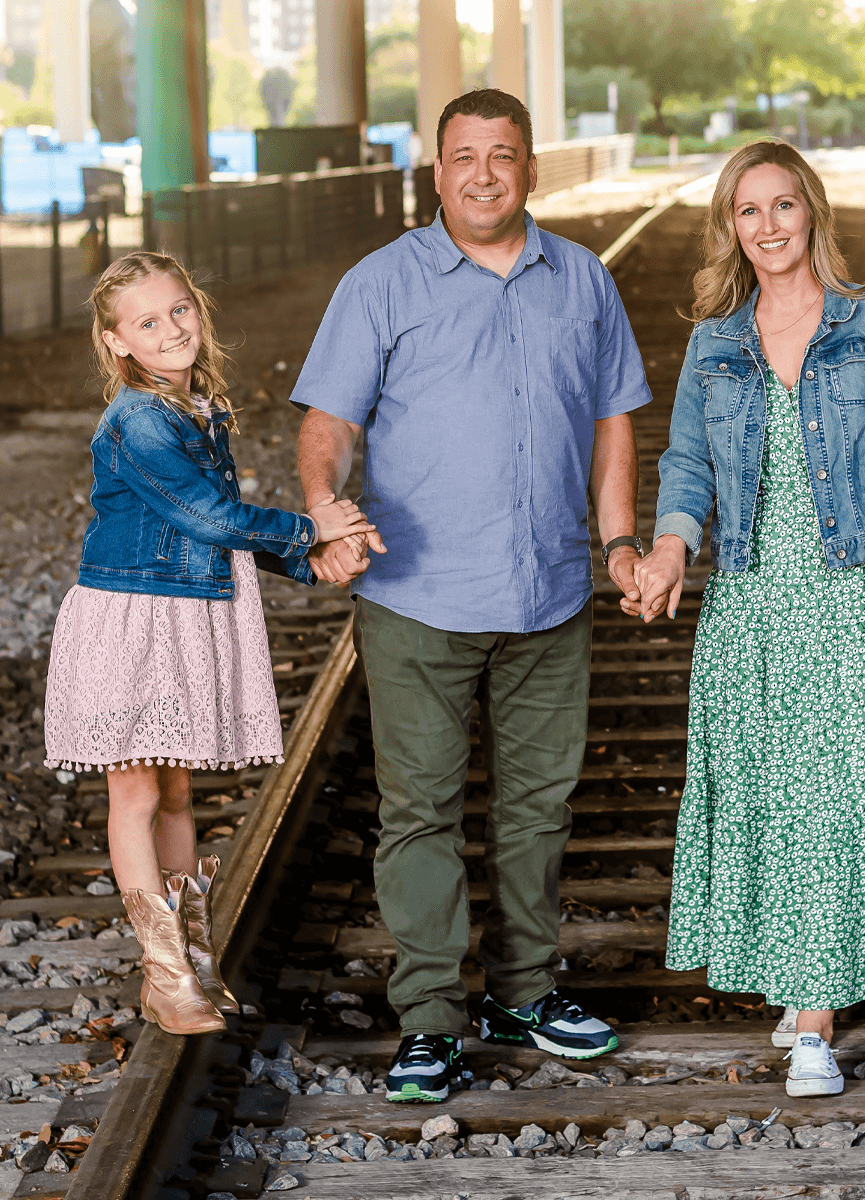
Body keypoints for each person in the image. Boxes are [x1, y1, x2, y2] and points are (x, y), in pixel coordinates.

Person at [291, 88, 651, 1103]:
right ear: (435, 171)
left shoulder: (582, 280)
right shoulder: (382, 284)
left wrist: (618, 540)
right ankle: (432, 1017)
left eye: (503, 154)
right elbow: (329, 419)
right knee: (420, 810)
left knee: (538, 807)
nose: (483, 172)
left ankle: (527, 990)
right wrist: (324, 501)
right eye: (464, 155)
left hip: (549, 591)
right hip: (418, 595)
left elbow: (616, 418)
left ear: (533, 169)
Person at [632, 141, 865, 1098]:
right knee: (771, 798)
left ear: (812, 210)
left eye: (782, 205)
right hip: (753, 601)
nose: (768, 226)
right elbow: (685, 463)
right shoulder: (714, 340)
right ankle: (802, 975)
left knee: (834, 800)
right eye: (747, 211)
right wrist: (672, 549)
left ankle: (814, 1020)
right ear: (731, 226)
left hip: (847, 595)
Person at [43, 252, 370, 1036]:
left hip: (182, 612)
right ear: (117, 342)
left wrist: (308, 557)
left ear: (198, 310)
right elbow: (209, 518)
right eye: (147, 323)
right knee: (137, 791)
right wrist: (310, 527)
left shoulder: (197, 407)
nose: (170, 329)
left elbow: (222, 524)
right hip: (133, 617)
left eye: (179, 310)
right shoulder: (139, 420)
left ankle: (194, 958)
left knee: (179, 791)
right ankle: (164, 975)